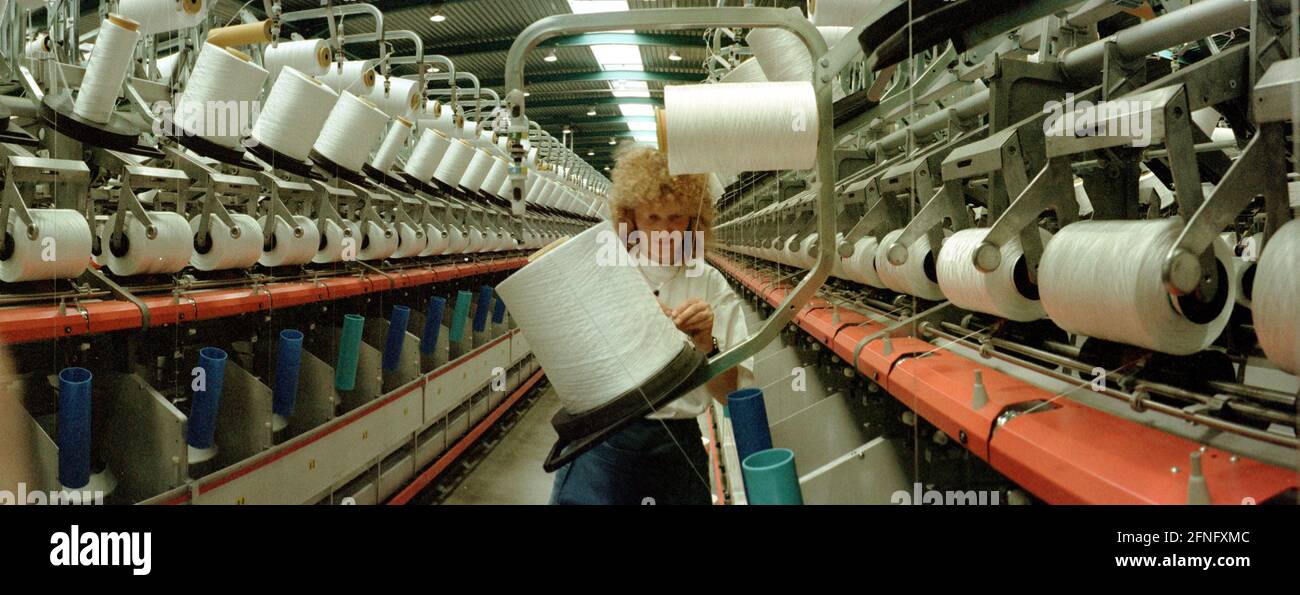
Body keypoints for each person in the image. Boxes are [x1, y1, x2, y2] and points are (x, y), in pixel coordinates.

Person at [549, 147, 754, 505]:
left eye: (676, 217)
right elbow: (572, 375)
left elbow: (730, 395)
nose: (664, 231)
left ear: (695, 219)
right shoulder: (606, 276)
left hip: (676, 449)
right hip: (604, 442)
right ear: (631, 219)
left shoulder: (710, 285)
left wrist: (707, 345)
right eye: (653, 217)